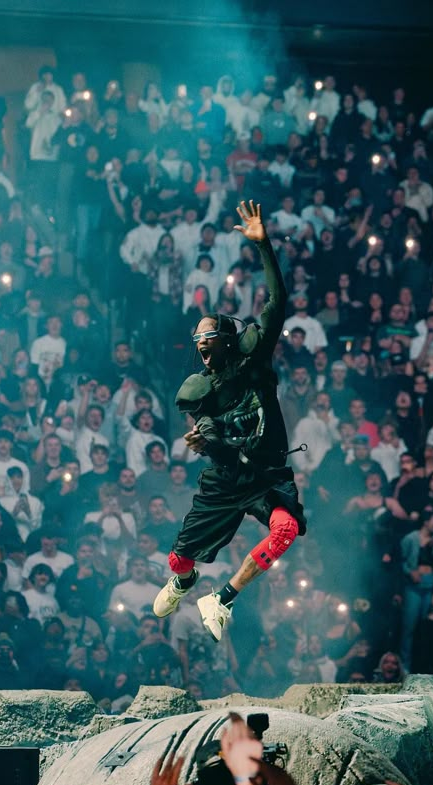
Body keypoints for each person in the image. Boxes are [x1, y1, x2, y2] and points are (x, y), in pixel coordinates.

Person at [153, 201, 306, 641]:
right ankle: (185, 582)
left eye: (208, 337)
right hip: (225, 479)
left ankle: (221, 599)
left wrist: (264, 247)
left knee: (286, 530)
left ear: (225, 339)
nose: (201, 344)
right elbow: (214, 438)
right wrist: (208, 441)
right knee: (179, 559)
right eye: (196, 339)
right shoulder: (197, 389)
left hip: (266, 472)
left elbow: (278, 302)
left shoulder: (255, 357)